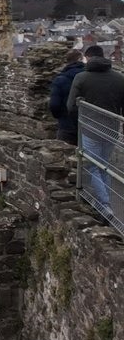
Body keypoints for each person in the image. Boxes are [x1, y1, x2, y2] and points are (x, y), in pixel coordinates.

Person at [68, 45, 124, 219]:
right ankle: (104, 201)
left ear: (88, 58)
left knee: (93, 166)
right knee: (104, 166)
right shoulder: (119, 78)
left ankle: (105, 205)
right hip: (112, 128)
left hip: (90, 128)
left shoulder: (81, 77)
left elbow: (70, 106)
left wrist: (82, 107)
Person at [48, 49, 85, 144]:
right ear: (80, 59)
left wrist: (60, 116)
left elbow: (54, 105)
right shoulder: (89, 77)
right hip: (87, 124)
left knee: (64, 154)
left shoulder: (60, 79)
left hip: (66, 124)